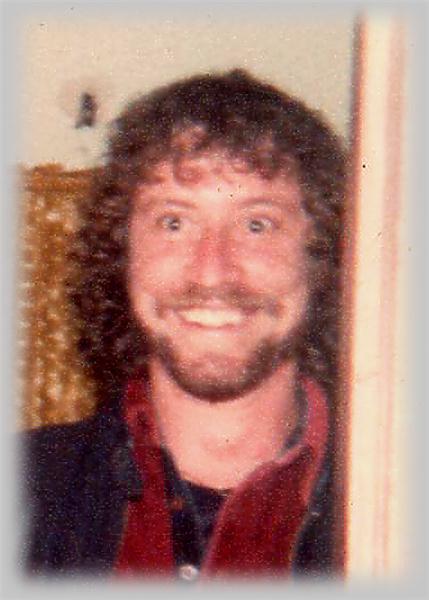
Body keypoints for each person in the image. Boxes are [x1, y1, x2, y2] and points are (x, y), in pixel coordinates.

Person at [21, 69, 347, 580]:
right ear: (122, 251)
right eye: (174, 222)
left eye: (256, 224)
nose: (212, 271)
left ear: (320, 256)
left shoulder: (398, 506)